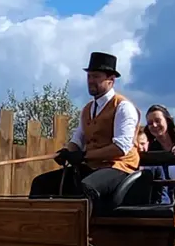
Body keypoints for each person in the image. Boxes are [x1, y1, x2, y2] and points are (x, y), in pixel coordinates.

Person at [29, 51, 141, 215]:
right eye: (89, 76)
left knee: (86, 187)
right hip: (92, 167)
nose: (90, 81)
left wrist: (83, 156)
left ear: (111, 80)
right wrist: (68, 153)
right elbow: (77, 140)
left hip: (120, 167)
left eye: (96, 76)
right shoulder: (87, 109)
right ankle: (40, 231)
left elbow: (121, 147)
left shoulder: (123, 107)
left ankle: (80, 237)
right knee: (41, 183)